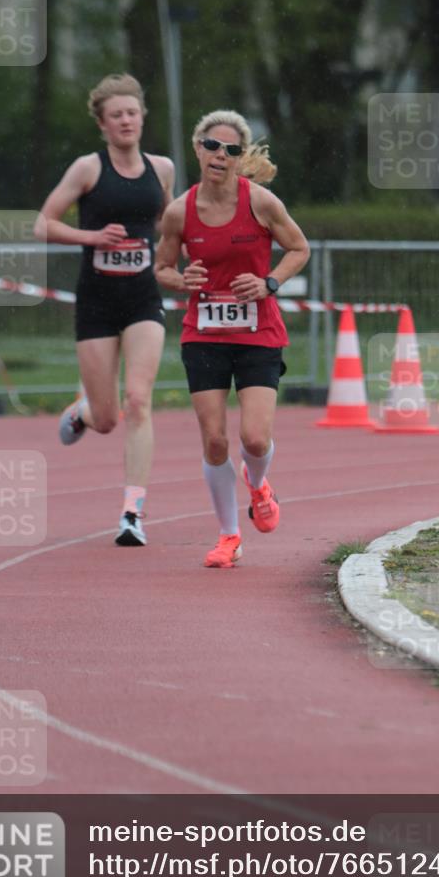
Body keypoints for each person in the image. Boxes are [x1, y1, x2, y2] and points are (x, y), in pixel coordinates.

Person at [154, 110, 310, 568]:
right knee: (215, 441)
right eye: (212, 145)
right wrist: (180, 280)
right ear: (198, 148)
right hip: (204, 333)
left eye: (232, 149)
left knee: (256, 440)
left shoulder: (261, 202)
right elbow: (161, 267)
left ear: (241, 159)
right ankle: (228, 536)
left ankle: (259, 485)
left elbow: (299, 248)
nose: (220, 155)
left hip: (258, 330)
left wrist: (270, 283)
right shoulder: (180, 210)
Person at [35, 74, 175, 546]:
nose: (126, 121)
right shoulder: (87, 169)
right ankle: (83, 411)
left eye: (132, 112)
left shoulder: (162, 168)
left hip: (142, 300)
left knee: (139, 400)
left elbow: (169, 224)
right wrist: (90, 237)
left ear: (142, 117)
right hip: (95, 302)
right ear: (102, 124)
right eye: (116, 115)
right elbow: (44, 224)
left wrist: (181, 261)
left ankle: (132, 513)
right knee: (109, 416)